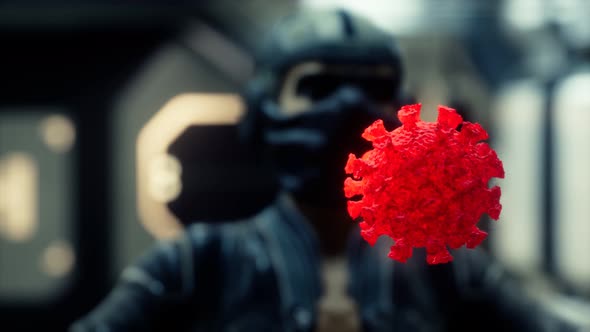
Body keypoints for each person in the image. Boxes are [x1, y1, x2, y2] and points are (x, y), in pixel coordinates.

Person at [71, 9, 570, 332]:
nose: (349, 110)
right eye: (318, 87)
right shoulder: (198, 261)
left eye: (372, 89)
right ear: (262, 112)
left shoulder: (440, 267)